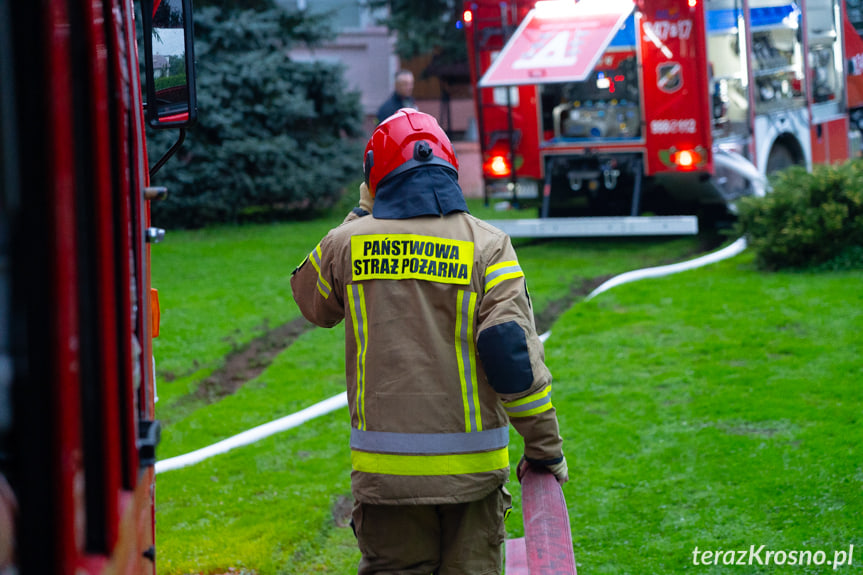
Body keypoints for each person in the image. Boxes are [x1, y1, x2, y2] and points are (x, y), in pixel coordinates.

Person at [290, 109, 566, 575]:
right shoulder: (488, 245)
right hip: (473, 481)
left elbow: (309, 300)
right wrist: (543, 448)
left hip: (387, 482)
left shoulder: (348, 242)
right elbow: (510, 354)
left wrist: (361, 212)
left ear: (375, 176)